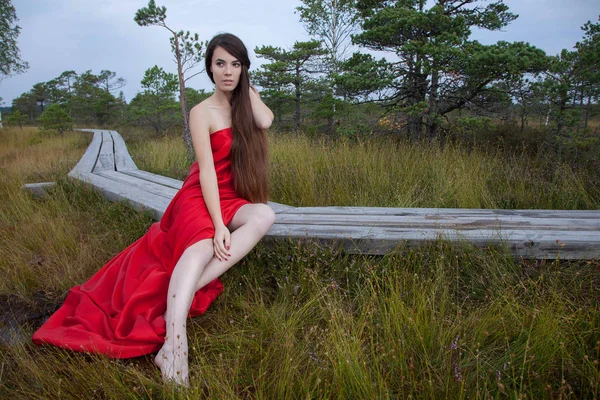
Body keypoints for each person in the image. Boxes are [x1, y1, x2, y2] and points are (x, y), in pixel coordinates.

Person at [32, 33, 276, 387]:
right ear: (209, 66)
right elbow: (206, 171)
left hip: (234, 195)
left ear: (243, 68)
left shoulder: (245, 103)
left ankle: (184, 292)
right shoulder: (201, 112)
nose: (227, 71)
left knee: (265, 215)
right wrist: (219, 225)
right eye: (220, 63)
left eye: (235, 64)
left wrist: (248, 92)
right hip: (200, 195)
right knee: (203, 245)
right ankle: (174, 343)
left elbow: (266, 121)